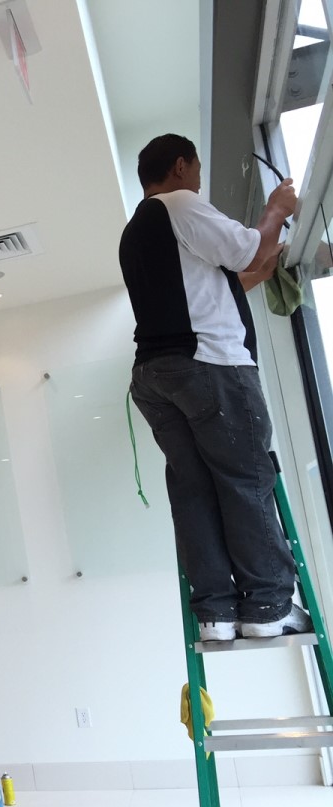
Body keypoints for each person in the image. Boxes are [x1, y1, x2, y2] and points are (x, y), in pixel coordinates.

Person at [120, 133, 312, 641]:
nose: (199, 181)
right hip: (209, 367)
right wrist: (276, 208)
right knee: (245, 479)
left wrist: (265, 261)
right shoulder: (179, 204)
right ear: (181, 166)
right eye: (198, 169)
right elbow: (246, 251)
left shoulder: (136, 231)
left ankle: (216, 614)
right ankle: (268, 606)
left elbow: (221, 283)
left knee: (194, 490)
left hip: (156, 376)